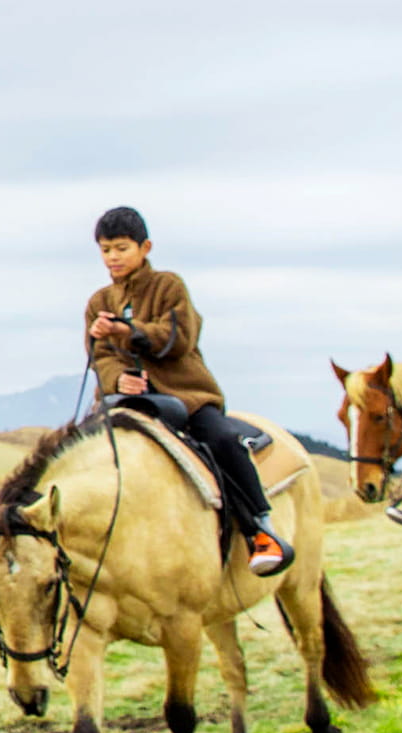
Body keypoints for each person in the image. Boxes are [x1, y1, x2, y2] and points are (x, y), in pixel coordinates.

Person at [82, 206, 292, 575]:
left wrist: (127, 332)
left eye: (121, 248)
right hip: (128, 402)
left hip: (186, 397)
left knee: (223, 440)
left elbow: (178, 339)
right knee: (77, 451)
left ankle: (261, 529)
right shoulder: (99, 302)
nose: (112, 257)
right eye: (105, 250)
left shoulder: (169, 286)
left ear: (145, 247)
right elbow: (98, 357)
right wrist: (118, 380)